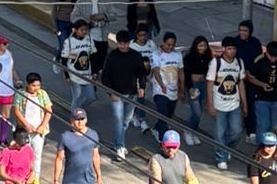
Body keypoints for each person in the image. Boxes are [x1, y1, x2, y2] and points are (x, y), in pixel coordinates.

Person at [100, 29, 148, 160]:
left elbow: (142, 73)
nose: (123, 46)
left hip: (132, 94)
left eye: (125, 43)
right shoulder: (112, 56)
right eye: (121, 44)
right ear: (117, 43)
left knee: (125, 122)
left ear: (129, 43)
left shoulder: (136, 56)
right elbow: (105, 77)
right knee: (118, 120)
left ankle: (118, 142)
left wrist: (142, 87)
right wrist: (111, 93)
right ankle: (120, 146)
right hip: (116, 95)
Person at [206, 34, 246, 169]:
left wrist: (244, 104)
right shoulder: (216, 63)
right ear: (223, 49)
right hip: (219, 104)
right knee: (219, 133)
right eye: (229, 48)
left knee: (237, 131)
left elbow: (240, 83)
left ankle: (226, 148)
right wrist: (210, 104)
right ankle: (221, 157)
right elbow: (209, 84)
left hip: (234, 103)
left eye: (234, 49)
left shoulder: (239, 62)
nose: (232, 51)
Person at [246, 40, 277, 139]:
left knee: (272, 125)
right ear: (266, 52)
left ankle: (267, 143)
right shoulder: (259, 61)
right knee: (263, 124)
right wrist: (262, 84)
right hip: (261, 97)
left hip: (275, 97)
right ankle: (261, 145)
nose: (273, 59)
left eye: (276, 57)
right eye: (271, 56)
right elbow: (250, 78)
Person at [13, 72, 52, 181]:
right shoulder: (20, 94)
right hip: (25, 130)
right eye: (33, 85)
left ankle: (36, 178)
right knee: (25, 154)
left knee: (37, 156)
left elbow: (48, 111)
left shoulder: (43, 94)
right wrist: (27, 125)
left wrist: (42, 126)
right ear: (27, 84)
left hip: (39, 131)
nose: (36, 88)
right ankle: (25, 176)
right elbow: (17, 111)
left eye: (38, 85)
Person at [148, 31, 184, 134]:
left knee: (168, 115)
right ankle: (162, 138)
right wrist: (161, 85)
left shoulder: (178, 55)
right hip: (160, 90)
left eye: (173, 45)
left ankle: (156, 128)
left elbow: (181, 72)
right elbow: (156, 71)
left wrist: (181, 88)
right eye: (168, 45)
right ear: (163, 42)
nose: (170, 47)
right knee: (163, 113)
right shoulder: (156, 55)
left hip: (173, 90)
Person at [60, 16, 97, 111]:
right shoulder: (69, 42)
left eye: (85, 30)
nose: (84, 32)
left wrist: (95, 72)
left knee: (91, 97)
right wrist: (67, 75)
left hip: (87, 75)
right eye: (81, 30)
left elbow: (93, 57)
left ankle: (77, 110)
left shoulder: (89, 39)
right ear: (75, 30)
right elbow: (64, 60)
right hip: (74, 75)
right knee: (77, 97)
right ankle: (75, 116)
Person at [234, 20, 263, 138]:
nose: (242, 33)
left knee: (250, 105)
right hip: (237, 79)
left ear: (250, 31)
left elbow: (258, 61)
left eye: (245, 30)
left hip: (251, 80)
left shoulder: (255, 43)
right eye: (240, 30)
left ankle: (251, 131)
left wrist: (251, 73)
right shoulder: (235, 42)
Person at [182, 35, 211, 145]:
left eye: (204, 46)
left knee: (200, 110)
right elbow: (186, 74)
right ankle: (188, 130)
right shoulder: (189, 58)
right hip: (193, 85)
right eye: (200, 46)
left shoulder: (208, 58)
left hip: (203, 85)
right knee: (196, 111)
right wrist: (189, 87)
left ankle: (193, 131)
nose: (202, 48)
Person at [52, 0, 77, 65]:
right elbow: (54, 10)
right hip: (61, 24)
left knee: (71, 46)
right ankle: (58, 59)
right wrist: (55, 26)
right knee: (63, 45)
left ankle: (68, 64)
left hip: (71, 24)